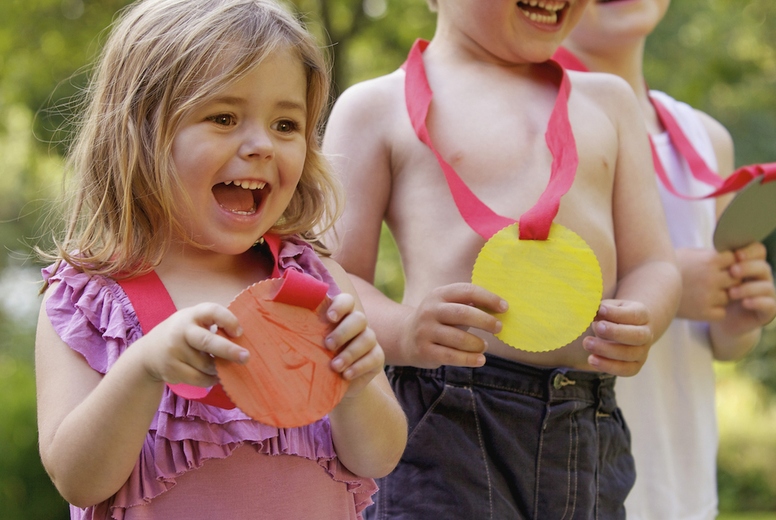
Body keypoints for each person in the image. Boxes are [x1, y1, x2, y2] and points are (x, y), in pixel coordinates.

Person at [34, 0, 408, 518]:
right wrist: (141, 369)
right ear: (139, 133)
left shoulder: (316, 283)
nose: (260, 145)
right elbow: (77, 479)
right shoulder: (86, 301)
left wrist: (356, 384)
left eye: (285, 124)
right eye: (224, 117)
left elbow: (379, 458)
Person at [322, 0, 683, 518]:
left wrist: (645, 315)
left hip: (585, 416)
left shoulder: (609, 101)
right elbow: (333, 277)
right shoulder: (375, 106)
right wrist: (404, 331)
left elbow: (654, 262)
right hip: (445, 413)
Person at [555, 1, 776, 518]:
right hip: (575, 471)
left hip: (680, 473)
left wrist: (739, 314)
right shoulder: (538, 118)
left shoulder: (706, 138)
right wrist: (671, 284)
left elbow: (720, 342)